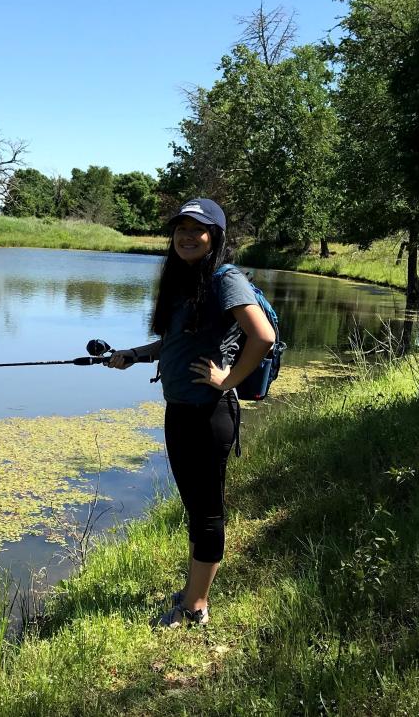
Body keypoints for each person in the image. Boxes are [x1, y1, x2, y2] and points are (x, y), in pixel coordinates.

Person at [108, 198, 275, 626]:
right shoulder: (185, 281)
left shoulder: (224, 279)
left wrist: (229, 379)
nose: (186, 236)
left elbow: (263, 336)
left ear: (214, 236)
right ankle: (194, 589)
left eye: (197, 229)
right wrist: (133, 354)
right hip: (179, 411)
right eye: (180, 228)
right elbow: (176, 345)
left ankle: (195, 607)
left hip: (208, 413)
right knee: (194, 506)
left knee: (206, 511)